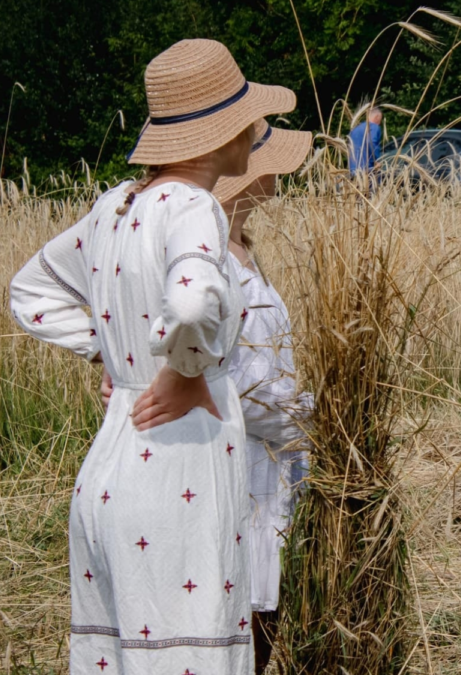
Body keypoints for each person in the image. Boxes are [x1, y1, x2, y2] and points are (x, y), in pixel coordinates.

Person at [9, 39, 295, 674]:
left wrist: (112, 356)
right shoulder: (194, 207)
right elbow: (192, 307)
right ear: (215, 138)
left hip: (110, 467)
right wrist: (183, 372)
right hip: (179, 469)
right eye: (246, 118)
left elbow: (29, 290)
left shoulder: (117, 204)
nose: (257, 131)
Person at [213, 120, 313, 674]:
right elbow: (240, 386)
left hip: (272, 461)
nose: (277, 169)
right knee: (244, 606)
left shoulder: (244, 248)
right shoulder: (218, 261)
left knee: (263, 599)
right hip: (245, 462)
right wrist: (312, 420)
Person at [348, 106, 383, 176]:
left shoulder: (354, 130)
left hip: (353, 169)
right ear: (376, 117)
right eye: (380, 119)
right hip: (367, 169)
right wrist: (376, 160)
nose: (379, 123)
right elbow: (371, 142)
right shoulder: (374, 127)